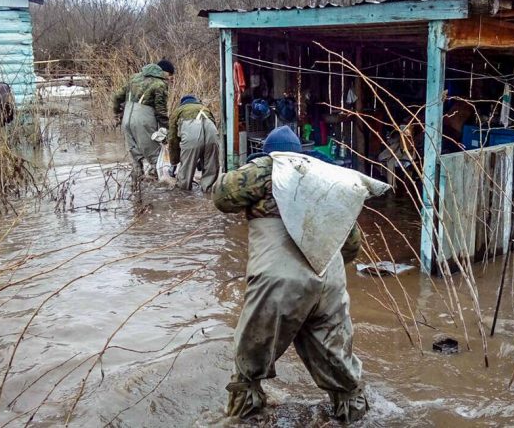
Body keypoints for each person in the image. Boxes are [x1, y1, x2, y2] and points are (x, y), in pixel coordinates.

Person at [212, 126, 369, 423]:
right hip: (330, 282)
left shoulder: (269, 170)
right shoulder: (326, 181)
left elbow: (222, 196)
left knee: (249, 367)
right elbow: (351, 246)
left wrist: (262, 165)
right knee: (341, 370)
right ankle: (356, 417)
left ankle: (243, 417)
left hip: (280, 283)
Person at [112, 59, 175, 180]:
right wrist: (166, 130)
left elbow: (117, 97)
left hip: (127, 120)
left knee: (135, 157)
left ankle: (136, 188)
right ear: (164, 72)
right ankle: (161, 191)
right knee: (155, 156)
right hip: (143, 121)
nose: (171, 78)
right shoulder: (160, 84)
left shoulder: (134, 78)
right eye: (170, 75)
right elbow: (161, 111)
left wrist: (118, 114)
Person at [167, 95, 220, 191]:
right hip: (212, 135)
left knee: (186, 173)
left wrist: (174, 162)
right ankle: (207, 193)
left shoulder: (178, 111)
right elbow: (214, 127)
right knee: (211, 169)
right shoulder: (205, 109)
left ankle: (184, 198)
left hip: (192, 135)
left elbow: (172, 139)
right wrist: (202, 158)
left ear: (182, 103)